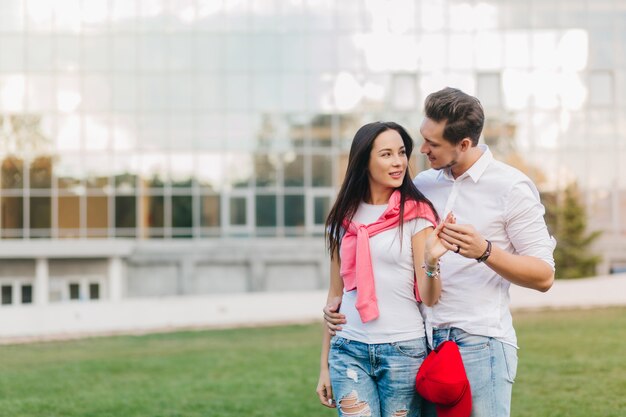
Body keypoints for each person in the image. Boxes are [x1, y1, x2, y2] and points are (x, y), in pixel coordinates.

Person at [324, 88, 556, 417]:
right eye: (423, 138)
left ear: (463, 144)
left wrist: (485, 251)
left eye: (433, 143)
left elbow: (544, 276)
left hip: (480, 341)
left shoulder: (511, 187)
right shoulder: (424, 184)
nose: (422, 149)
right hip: (426, 345)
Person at [316, 121, 453, 417]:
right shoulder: (343, 217)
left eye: (402, 153)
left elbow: (429, 298)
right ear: (364, 161)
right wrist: (324, 365)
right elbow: (334, 297)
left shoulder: (417, 213)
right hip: (348, 348)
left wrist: (431, 263)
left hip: (403, 350)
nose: (398, 162)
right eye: (386, 154)